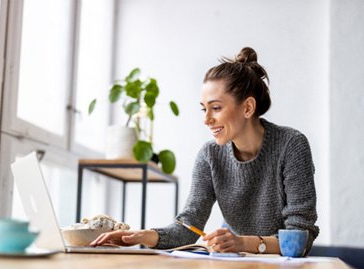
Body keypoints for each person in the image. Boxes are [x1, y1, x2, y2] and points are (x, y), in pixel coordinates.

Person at [91, 47, 319, 254]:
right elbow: (189, 226)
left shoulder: (291, 145)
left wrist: (243, 243)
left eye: (216, 108)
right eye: (204, 109)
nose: (207, 120)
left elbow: (300, 237)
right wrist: (142, 236)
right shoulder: (210, 155)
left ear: (248, 107)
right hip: (236, 263)